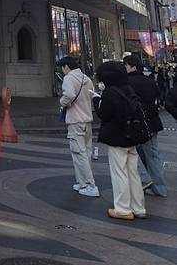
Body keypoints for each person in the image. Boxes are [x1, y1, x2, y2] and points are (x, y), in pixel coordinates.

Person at [94, 61, 146, 220]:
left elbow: (105, 114)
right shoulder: (128, 89)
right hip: (132, 136)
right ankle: (139, 207)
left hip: (117, 137)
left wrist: (96, 101)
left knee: (119, 173)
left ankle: (123, 209)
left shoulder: (110, 93)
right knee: (133, 172)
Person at [123, 55, 168, 197]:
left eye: (126, 65)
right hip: (153, 121)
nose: (125, 68)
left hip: (139, 123)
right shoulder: (149, 81)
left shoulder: (128, 83)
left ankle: (149, 182)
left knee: (139, 153)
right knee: (153, 153)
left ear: (133, 66)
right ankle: (159, 186)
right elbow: (158, 95)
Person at [58, 56, 99, 197]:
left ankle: (89, 184)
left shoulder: (69, 78)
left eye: (62, 68)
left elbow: (69, 94)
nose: (62, 71)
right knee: (86, 152)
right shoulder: (86, 78)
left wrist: (62, 102)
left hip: (75, 120)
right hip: (87, 119)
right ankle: (82, 182)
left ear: (66, 67)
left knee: (78, 153)